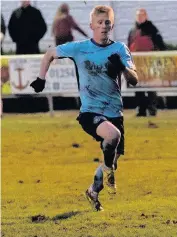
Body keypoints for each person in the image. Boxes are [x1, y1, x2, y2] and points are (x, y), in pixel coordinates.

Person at [29, 5, 138, 212]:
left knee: (113, 158)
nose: (103, 26)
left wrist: (122, 67)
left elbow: (134, 80)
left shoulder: (120, 49)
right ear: (91, 26)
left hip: (115, 112)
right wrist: (41, 79)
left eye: (107, 22)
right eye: (99, 23)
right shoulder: (79, 48)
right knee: (112, 136)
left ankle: (93, 191)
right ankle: (108, 172)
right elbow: (50, 53)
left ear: (112, 25)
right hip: (90, 112)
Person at [128, 8, 167, 117]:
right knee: (138, 87)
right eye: (138, 16)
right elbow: (129, 45)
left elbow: (160, 44)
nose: (140, 18)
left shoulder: (152, 30)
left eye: (142, 15)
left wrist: (163, 57)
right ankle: (141, 110)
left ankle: (152, 109)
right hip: (136, 64)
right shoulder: (132, 31)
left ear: (146, 16)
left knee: (150, 87)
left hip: (150, 63)